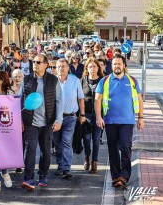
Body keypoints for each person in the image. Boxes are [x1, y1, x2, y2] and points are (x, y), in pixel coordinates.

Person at [95, 54, 144, 188]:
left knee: (125, 146)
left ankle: (125, 176)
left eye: (119, 64)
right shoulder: (104, 81)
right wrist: (99, 117)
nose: (117, 66)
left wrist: (141, 117)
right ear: (112, 66)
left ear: (124, 66)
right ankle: (116, 176)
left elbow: (139, 100)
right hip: (110, 121)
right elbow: (97, 100)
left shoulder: (132, 80)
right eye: (114, 64)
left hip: (127, 121)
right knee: (113, 149)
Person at [20, 54, 63, 190]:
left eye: (38, 62)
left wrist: (59, 120)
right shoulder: (26, 79)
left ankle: (43, 175)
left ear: (46, 64)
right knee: (30, 149)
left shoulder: (53, 80)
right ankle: (28, 178)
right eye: (34, 62)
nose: (35, 64)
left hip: (47, 122)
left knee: (45, 150)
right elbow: (20, 100)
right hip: (30, 121)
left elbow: (59, 101)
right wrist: (20, 119)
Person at [54, 58, 85, 179]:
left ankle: (67, 169)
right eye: (59, 66)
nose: (61, 68)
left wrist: (82, 115)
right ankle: (60, 166)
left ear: (68, 68)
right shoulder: (52, 81)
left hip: (70, 117)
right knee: (57, 143)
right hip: (56, 118)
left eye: (63, 66)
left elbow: (81, 98)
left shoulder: (75, 80)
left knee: (67, 142)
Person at [80, 58, 104, 174]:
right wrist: (80, 114)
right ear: (87, 69)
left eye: (95, 66)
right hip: (87, 114)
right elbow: (79, 98)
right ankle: (87, 157)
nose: (92, 69)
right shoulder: (82, 81)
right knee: (87, 138)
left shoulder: (103, 81)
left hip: (99, 114)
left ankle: (95, 161)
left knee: (96, 139)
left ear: (98, 68)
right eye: (90, 67)